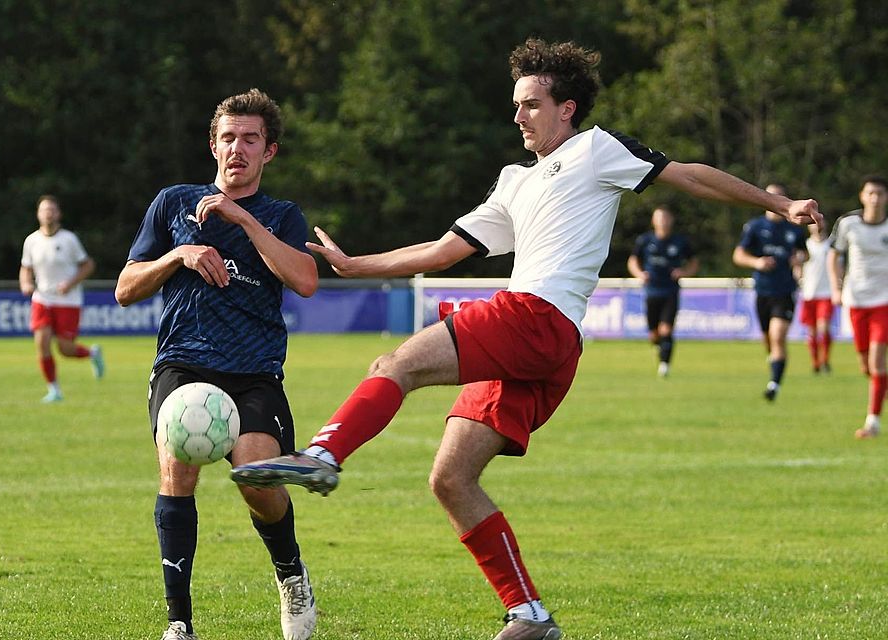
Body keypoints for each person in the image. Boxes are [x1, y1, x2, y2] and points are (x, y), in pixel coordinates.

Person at [229, 39, 821, 640]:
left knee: (398, 362)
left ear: (566, 109)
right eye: (516, 104)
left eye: (531, 104)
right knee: (451, 478)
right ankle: (528, 613)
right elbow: (443, 250)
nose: (518, 116)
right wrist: (356, 264)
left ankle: (323, 455)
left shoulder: (597, 149)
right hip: (545, 349)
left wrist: (779, 203)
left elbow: (690, 175)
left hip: (537, 316)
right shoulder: (514, 181)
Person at [114, 90, 319, 640]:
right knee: (177, 470)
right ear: (213, 144)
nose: (238, 148)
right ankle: (179, 623)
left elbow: (305, 280)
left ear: (268, 151)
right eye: (228, 138)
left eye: (250, 139)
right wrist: (177, 255)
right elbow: (124, 289)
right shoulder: (173, 202)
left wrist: (243, 221)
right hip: (183, 363)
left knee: (257, 477)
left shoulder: (281, 215)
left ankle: (290, 572)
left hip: (254, 372)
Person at [19, 194, 105, 403]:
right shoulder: (31, 241)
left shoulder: (69, 240)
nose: (48, 213)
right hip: (42, 299)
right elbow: (26, 268)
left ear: (58, 213)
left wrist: (70, 283)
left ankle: (92, 354)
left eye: (51, 210)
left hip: (68, 301)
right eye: (44, 210)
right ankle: (54, 390)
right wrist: (26, 283)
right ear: (38, 214)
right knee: (42, 342)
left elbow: (88, 265)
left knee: (65, 349)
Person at [732, 184, 808, 401]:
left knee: (778, 336)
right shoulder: (755, 227)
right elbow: (738, 255)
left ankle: (774, 385)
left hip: (784, 291)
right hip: (763, 291)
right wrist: (757, 262)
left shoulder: (793, 229)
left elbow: (804, 254)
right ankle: (775, 363)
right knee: (769, 340)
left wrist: (800, 260)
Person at [827, 175, 888, 439]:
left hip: (884, 301)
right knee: (866, 365)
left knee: (876, 361)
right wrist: (836, 288)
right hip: (856, 300)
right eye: (870, 193)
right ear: (862, 196)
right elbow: (834, 255)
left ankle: (872, 423)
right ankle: (879, 388)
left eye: (880, 194)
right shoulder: (848, 223)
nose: (875, 198)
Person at [626, 205, 699, 377]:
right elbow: (633, 261)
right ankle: (661, 347)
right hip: (651, 291)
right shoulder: (645, 240)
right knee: (654, 334)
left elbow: (694, 262)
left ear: (671, 220)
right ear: (653, 221)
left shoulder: (679, 241)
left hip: (670, 291)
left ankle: (664, 365)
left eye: (665, 218)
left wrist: (684, 272)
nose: (663, 222)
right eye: (659, 218)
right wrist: (639, 274)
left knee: (666, 329)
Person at [799, 220, 834, 373]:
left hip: (826, 293)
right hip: (809, 294)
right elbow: (798, 266)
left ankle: (825, 359)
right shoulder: (805, 245)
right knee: (812, 331)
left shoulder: (832, 244)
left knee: (823, 327)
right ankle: (815, 363)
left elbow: (838, 265)